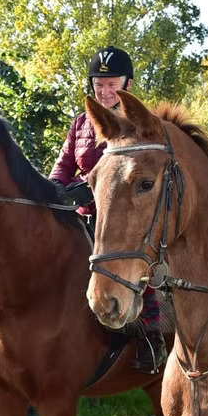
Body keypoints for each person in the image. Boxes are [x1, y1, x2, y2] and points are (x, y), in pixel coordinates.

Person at [49, 46, 165, 372]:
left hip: (128, 217)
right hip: (87, 217)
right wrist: (58, 190)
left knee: (136, 262)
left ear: (127, 84)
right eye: (99, 84)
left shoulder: (141, 125)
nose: (105, 91)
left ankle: (150, 337)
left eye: (112, 84)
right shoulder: (80, 124)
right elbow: (63, 167)